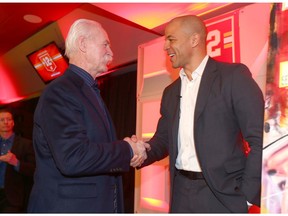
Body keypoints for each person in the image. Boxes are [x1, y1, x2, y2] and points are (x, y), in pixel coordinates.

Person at [132, 15, 264, 213]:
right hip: (181, 194)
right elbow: (163, 140)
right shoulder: (170, 92)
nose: (165, 46)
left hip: (222, 195)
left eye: (171, 39)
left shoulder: (233, 77)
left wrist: (246, 196)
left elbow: (260, 138)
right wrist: (140, 150)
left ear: (194, 40)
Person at [27, 19, 148, 213]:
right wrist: (127, 149)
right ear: (83, 44)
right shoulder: (60, 92)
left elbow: (92, 147)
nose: (111, 52)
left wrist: (128, 149)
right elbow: (73, 157)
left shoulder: (88, 91)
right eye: (105, 44)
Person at [0, 108, 35, 213]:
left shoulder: (26, 144)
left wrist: (16, 163)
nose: (6, 122)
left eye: (9, 119)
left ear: (13, 122)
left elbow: (34, 170)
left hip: (13, 198)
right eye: (2, 120)